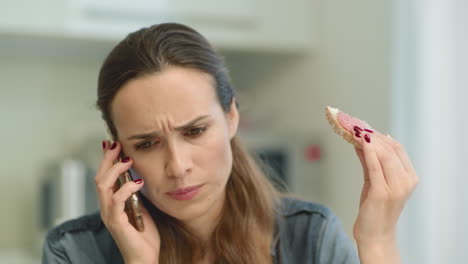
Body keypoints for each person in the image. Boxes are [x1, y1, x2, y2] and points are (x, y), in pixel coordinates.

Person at [42, 23, 418, 264]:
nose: (178, 166)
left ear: (232, 117)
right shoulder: (74, 251)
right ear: (119, 152)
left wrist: (378, 241)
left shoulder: (310, 237)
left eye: (194, 131)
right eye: (147, 144)